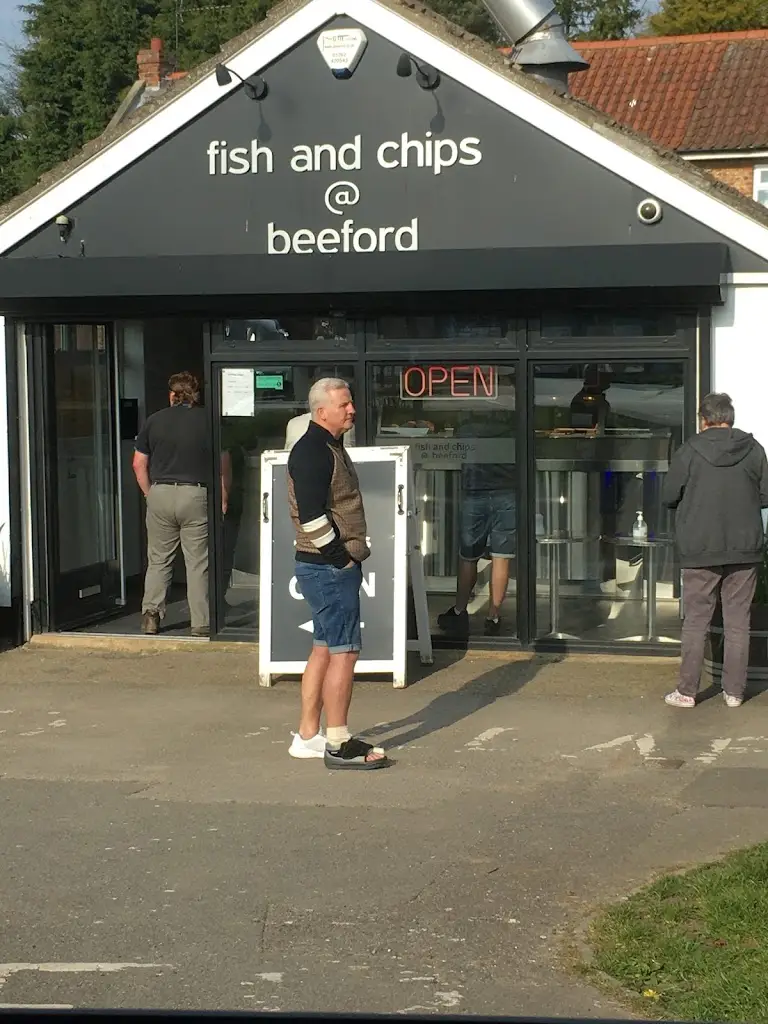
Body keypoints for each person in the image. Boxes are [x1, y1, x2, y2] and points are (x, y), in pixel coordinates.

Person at [286, 377, 389, 769]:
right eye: (344, 404)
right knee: (345, 652)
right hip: (328, 568)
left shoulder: (326, 446)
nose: (352, 410)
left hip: (320, 567)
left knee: (324, 648)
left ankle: (308, 736)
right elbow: (311, 515)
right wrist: (340, 559)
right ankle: (338, 742)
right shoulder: (313, 451)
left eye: (351, 403)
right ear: (320, 411)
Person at [662, 393, 768, 709]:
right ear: (729, 418)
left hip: (700, 547)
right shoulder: (754, 450)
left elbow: (669, 495)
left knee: (696, 620)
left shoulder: (688, 452)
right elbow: (766, 496)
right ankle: (735, 692)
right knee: (739, 620)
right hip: (744, 547)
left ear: (704, 419)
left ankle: (687, 692)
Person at [133, 371, 223, 637]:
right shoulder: (208, 420)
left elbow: (139, 463)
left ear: (172, 394)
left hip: (160, 492)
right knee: (197, 562)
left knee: (159, 559)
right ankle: (200, 622)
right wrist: (224, 495)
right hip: (195, 494)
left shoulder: (154, 421)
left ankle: (151, 615)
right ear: (196, 393)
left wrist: (150, 493)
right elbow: (223, 461)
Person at [437, 417, 516, 638]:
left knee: (468, 556)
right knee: (502, 556)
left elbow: (454, 449)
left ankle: (460, 611)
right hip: (508, 492)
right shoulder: (513, 424)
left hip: (475, 492)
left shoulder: (466, 427)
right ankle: (493, 616)